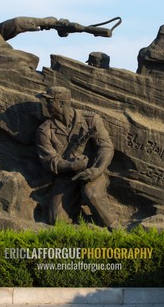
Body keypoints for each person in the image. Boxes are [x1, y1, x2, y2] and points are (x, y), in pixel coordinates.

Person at [36, 86, 118, 228]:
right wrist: (71, 166)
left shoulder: (91, 120)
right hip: (66, 177)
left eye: (49, 102)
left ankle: (116, 228)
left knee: (92, 194)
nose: (46, 105)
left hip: (92, 172)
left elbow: (106, 147)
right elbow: (49, 161)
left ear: (61, 103)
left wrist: (97, 170)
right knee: (56, 219)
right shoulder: (45, 130)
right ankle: (86, 228)